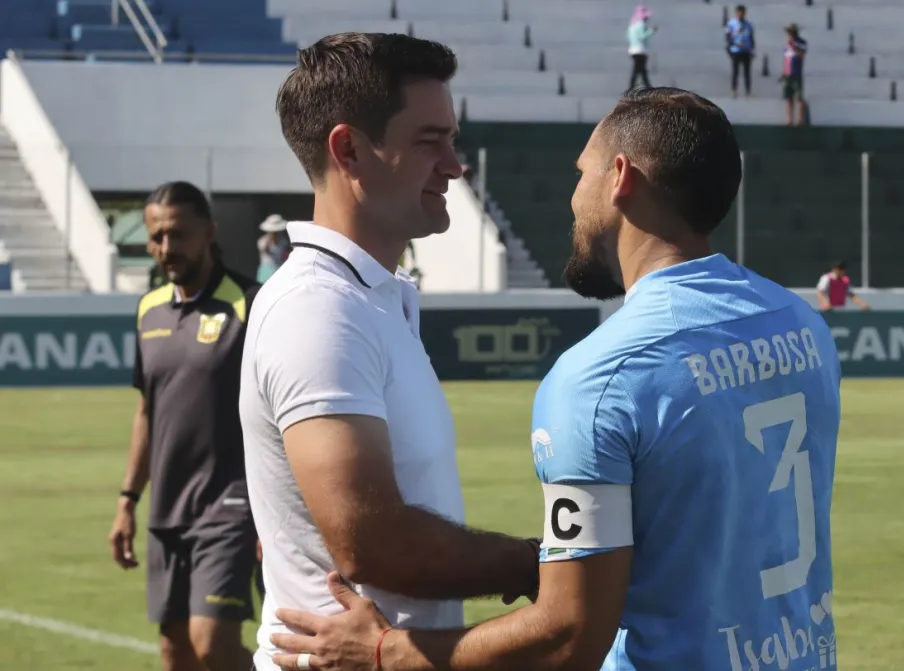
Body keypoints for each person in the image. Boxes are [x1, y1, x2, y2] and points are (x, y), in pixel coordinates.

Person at [265, 87, 843, 671]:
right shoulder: (802, 325)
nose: (573, 197)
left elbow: (567, 638)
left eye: (581, 173)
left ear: (620, 178)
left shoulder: (601, 379)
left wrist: (385, 652)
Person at [238, 33, 541, 671]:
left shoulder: (367, 297)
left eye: (451, 140)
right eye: (430, 141)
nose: (454, 165)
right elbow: (372, 542)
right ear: (348, 149)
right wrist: (543, 566)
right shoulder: (318, 307)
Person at [108, 181, 261, 671]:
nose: (165, 248)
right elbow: (147, 412)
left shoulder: (250, 304)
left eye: (177, 234)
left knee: (211, 644)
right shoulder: (148, 309)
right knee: (176, 652)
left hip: (231, 506)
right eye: (156, 237)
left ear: (209, 233)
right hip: (167, 509)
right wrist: (128, 499)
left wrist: (274, 513)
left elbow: (279, 415)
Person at [726, 4, 755, 98]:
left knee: (747, 73)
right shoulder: (732, 24)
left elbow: (751, 38)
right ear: (737, 13)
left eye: (742, 13)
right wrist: (734, 45)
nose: (741, 14)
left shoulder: (748, 25)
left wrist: (752, 49)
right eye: (739, 12)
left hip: (746, 51)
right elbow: (728, 38)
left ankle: (748, 92)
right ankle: (734, 90)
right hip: (736, 51)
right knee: (735, 72)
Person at [782, 23, 808, 126]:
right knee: (789, 98)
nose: (790, 34)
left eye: (791, 32)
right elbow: (786, 59)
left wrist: (794, 45)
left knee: (799, 97)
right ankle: (789, 119)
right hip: (788, 74)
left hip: (796, 73)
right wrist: (783, 72)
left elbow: (802, 54)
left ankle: (801, 119)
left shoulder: (801, 42)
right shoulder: (787, 45)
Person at [627, 4, 656, 90]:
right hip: (640, 50)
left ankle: (646, 86)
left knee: (641, 70)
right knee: (638, 70)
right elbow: (642, 36)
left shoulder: (632, 25)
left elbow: (627, 37)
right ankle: (634, 87)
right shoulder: (641, 25)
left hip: (633, 50)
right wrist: (652, 30)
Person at [257, 214, 291, 283]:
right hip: (266, 269)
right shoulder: (262, 241)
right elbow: (264, 250)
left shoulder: (283, 241)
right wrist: (270, 240)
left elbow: (286, 253)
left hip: (279, 268)